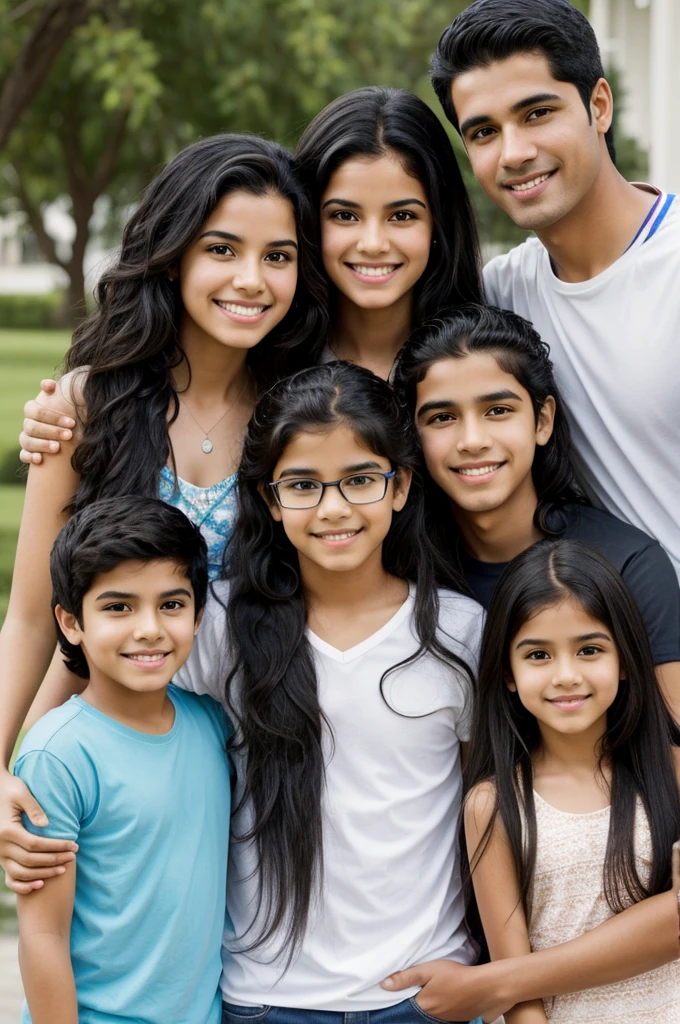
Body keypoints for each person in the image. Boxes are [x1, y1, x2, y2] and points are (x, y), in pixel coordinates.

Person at [0, 132, 324, 894]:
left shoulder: (302, 412)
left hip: (277, 746)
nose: (252, 279)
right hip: (124, 749)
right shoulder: (85, 408)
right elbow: (31, 616)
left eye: (278, 256)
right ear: (173, 252)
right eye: (223, 249)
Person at [173, 361, 484, 1022]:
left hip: (422, 994)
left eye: (361, 480)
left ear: (399, 488)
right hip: (265, 1001)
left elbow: (490, 812)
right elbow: (112, 705)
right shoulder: (218, 628)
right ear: (267, 498)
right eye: (304, 485)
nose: (334, 508)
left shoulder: (460, 632)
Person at [430, 0, 680, 579]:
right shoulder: (499, 295)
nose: (514, 153)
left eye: (537, 113)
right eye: (485, 132)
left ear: (598, 105)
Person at [394, 305, 680, 721]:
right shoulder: (402, 568)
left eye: (498, 411)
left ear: (542, 420)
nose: (472, 441)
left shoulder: (629, 567)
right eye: (443, 417)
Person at [14, 496, 231, 1024]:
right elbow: (42, 935)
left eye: (172, 605)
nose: (149, 629)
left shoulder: (212, 724)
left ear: (199, 616)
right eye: (118, 607)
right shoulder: (58, 754)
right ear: (71, 622)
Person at [463, 539, 680, 1023]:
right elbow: (515, 986)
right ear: (507, 674)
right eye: (538, 655)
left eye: (589, 650)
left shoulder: (671, 771)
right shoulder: (493, 804)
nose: (566, 675)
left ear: (624, 661)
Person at [294, 86, 483, 380]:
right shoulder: (263, 366)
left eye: (401, 216)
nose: (373, 244)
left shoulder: (489, 360)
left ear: (439, 223)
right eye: (345, 215)